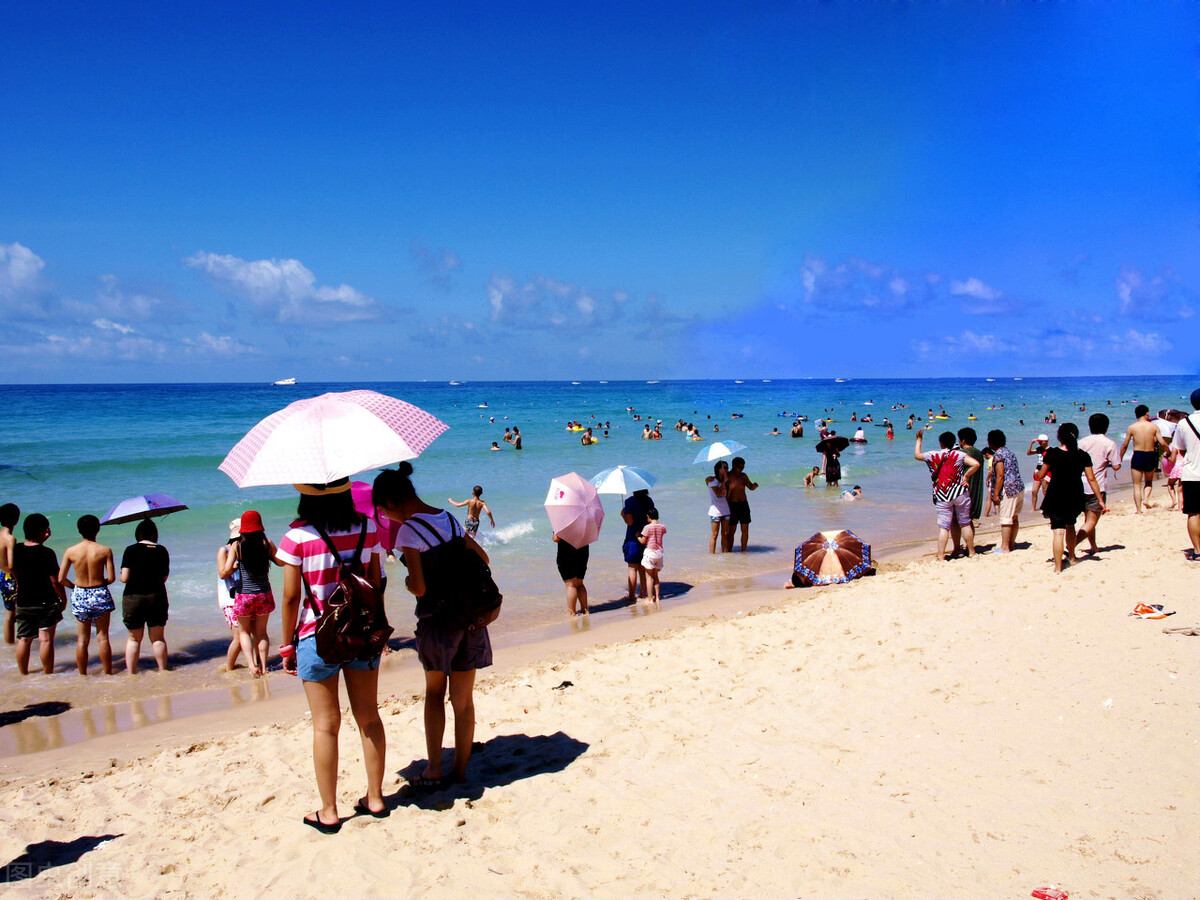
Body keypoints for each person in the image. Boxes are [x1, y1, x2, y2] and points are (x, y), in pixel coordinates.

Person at [277, 477, 387, 831]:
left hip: (315, 636)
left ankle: (329, 810)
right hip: (361, 632)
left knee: (326, 726)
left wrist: (285, 645)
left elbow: (292, 598)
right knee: (368, 717)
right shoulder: (366, 528)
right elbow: (374, 582)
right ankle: (375, 798)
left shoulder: (297, 536)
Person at [374, 463, 491, 790]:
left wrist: (410, 581)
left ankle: (435, 768)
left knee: (435, 695)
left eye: (383, 510)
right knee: (464, 701)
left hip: (438, 624)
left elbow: (420, 588)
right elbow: (483, 558)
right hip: (470, 618)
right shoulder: (448, 517)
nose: (385, 517)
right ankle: (460, 771)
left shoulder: (407, 531)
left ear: (392, 503)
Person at [219, 510, 280, 678]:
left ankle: (252, 666)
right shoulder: (267, 543)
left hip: (244, 595)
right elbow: (281, 562)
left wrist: (236, 566)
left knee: (244, 633)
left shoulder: (236, 547)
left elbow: (225, 570)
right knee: (262, 633)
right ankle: (265, 667)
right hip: (264, 594)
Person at [1038, 424, 1104, 573]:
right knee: (1070, 526)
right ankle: (1072, 557)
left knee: (1058, 532)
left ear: (1059, 437)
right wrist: (1100, 499)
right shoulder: (1083, 455)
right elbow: (1092, 479)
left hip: (1055, 495)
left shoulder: (1052, 454)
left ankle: (1057, 568)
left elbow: (1041, 475)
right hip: (1075, 496)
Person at [58, 514, 116, 675]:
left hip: (80, 593)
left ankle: (82, 675)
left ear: (79, 530)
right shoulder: (105, 550)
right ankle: (108, 673)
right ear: (98, 529)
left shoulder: (71, 551)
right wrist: (100, 584)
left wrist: (74, 587)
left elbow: (61, 578)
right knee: (103, 637)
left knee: (82, 639)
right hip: (99, 592)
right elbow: (111, 578)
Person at [12, 514, 66, 675]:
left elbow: (11, 569)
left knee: (24, 638)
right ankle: (47, 674)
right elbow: (55, 581)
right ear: (42, 532)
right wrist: (63, 598)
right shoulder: (47, 553)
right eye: (47, 529)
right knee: (46, 639)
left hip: (23, 600)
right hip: (46, 601)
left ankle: (23, 674)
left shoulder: (16, 549)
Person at [915, 430, 981, 561]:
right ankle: (972, 552)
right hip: (960, 493)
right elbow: (976, 464)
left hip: (942, 495)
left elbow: (917, 455)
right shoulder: (960, 455)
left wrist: (919, 440)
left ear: (941, 443)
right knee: (965, 523)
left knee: (944, 527)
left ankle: (940, 556)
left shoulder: (933, 455)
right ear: (953, 442)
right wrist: (966, 476)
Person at [120, 519, 170, 674]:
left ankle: (132, 674)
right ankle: (163, 671)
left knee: (134, 639)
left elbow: (125, 578)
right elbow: (163, 578)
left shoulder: (130, 550)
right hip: (156, 596)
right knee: (158, 638)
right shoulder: (162, 550)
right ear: (154, 534)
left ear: (139, 534)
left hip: (133, 597)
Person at [1076, 413, 1123, 555]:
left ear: (1090, 426)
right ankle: (1070, 545)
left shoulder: (1081, 442)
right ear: (1106, 427)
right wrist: (1106, 462)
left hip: (1079, 484)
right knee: (1091, 521)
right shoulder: (1109, 443)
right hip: (1097, 486)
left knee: (1088, 519)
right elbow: (1117, 466)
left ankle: (1094, 547)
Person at [1169, 388, 1200, 560]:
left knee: (1194, 513)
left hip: (1192, 473)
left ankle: (1197, 550)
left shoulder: (1184, 423)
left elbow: (1180, 449)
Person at [1120, 405, 1169, 513]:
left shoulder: (1132, 427)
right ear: (1147, 414)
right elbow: (1162, 442)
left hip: (1138, 455)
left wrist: (1120, 458)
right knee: (1148, 482)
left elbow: (1124, 445)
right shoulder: (1153, 427)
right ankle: (1146, 499)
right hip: (1150, 455)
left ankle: (1138, 510)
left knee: (1137, 485)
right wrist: (1169, 452)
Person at [986, 430, 1024, 553]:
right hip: (1018, 487)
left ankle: (1005, 547)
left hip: (1009, 489)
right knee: (1014, 517)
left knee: (1006, 519)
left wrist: (996, 494)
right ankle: (1011, 544)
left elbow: (1000, 475)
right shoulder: (1010, 452)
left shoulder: (999, 454)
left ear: (991, 442)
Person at [952, 427, 985, 554]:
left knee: (956, 520)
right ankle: (969, 546)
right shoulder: (979, 454)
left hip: (963, 492)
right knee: (969, 521)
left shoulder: (963, 455)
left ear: (963, 440)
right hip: (976, 491)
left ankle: (956, 548)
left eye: (959, 439)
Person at [216, 520, 243, 672]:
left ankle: (255, 664)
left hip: (243, 597)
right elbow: (222, 573)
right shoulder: (224, 551)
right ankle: (229, 668)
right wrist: (234, 566)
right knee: (238, 638)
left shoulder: (243, 549)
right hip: (230, 599)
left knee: (246, 635)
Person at [621, 488, 655, 598]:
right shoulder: (649, 501)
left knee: (632, 568)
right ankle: (643, 593)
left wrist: (623, 515)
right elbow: (652, 518)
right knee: (642, 568)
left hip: (632, 538)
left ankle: (631, 596)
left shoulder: (629, 502)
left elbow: (630, 522)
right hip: (646, 538)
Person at [726, 457, 758, 552]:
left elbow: (750, 487)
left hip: (743, 504)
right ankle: (729, 552)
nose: (741, 469)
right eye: (740, 467)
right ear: (733, 466)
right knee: (732, 530)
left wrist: (755, 486)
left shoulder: (743, 476)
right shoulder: (728, 477)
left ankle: (744, 551)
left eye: (743, 467)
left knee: (745, 529)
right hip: (732, 505)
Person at [553, 533, 589, 615]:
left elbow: (556, 538)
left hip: (566, 550)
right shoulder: (585, 520)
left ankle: (572, 612)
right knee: (580, 583)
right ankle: (585, 609)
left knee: (571, 584)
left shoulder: (562, 521)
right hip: (583, 549)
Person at [638, 507, 667, 603]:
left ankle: (650, 598)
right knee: (656, 576)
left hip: (650, 553)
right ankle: (658, 597)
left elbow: (643, 541)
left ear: (648, 517)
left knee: (649, 577)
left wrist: (637, 536)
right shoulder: (662, 526)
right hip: (659, 553)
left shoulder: (647, 527)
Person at [0, 502, 18, 645]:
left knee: (8, 612)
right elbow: (11, 564)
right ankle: (13, 643)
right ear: (16, 520)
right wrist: (19, 579)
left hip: (1, 575)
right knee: (13, 613)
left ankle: (9, 644)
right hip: (10, 577)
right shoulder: (10, 539)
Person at [705, 460, 730, 554]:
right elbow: (718, 494)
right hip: (715, 511)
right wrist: (724, 483)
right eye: (725, 467)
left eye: (727, 467)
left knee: (725, 534)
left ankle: (725, 555)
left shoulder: (726, 479)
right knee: (715, 534)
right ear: (718, 469)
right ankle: (712, 557)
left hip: (726, 510)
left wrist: (725, 481)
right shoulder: (712, 481)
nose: (727, 469)